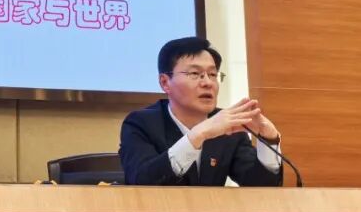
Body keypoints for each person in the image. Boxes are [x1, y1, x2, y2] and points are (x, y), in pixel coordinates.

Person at [119, 37, 283, 186]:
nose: (207, 83)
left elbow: (260, 187)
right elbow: (141, 181)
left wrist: (269, 140)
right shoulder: (141, 124)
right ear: (165, 82)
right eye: (195, 73)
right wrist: (197, 136)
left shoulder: (228, 126)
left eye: (212, 74)